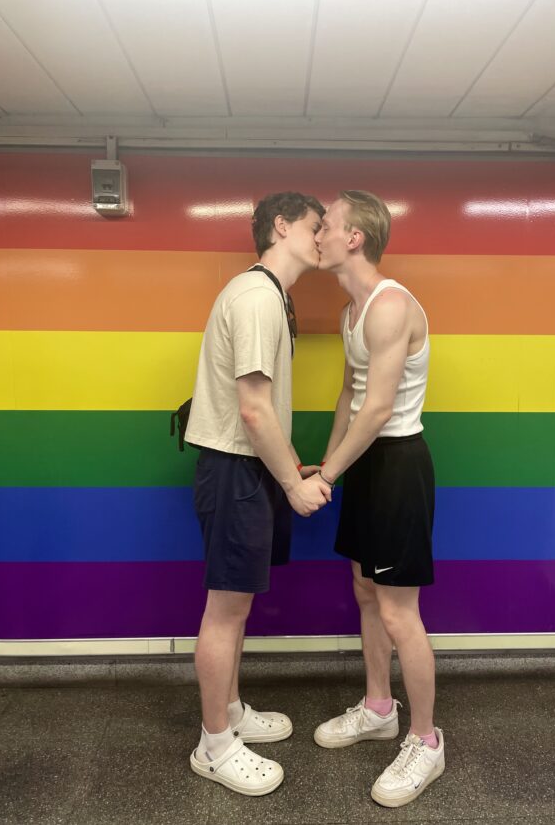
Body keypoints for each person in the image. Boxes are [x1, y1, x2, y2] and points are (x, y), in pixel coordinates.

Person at [185, 191, 332, 796]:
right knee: (226, 609)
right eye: (316, 225)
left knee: (238, 605)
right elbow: (252, 409)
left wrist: (287, 470)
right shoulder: (254, 297)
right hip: (236, 469)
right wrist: (294, 483)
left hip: (253, 469)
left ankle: (233, 711)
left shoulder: (272, 295)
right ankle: (213, 744)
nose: (324, 235)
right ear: (281, 225)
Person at [312, 190, 444, 807]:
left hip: (396, 464)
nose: (319, 235)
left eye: (328, 226)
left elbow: (381, 408)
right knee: (366, 591)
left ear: (355, 237)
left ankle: (425, 740)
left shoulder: (392, 307)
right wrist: (328, 462)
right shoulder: (351, 310)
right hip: (365, 464)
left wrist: (326, 477)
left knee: (398, 611)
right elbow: (348, 395)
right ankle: (378, 708)